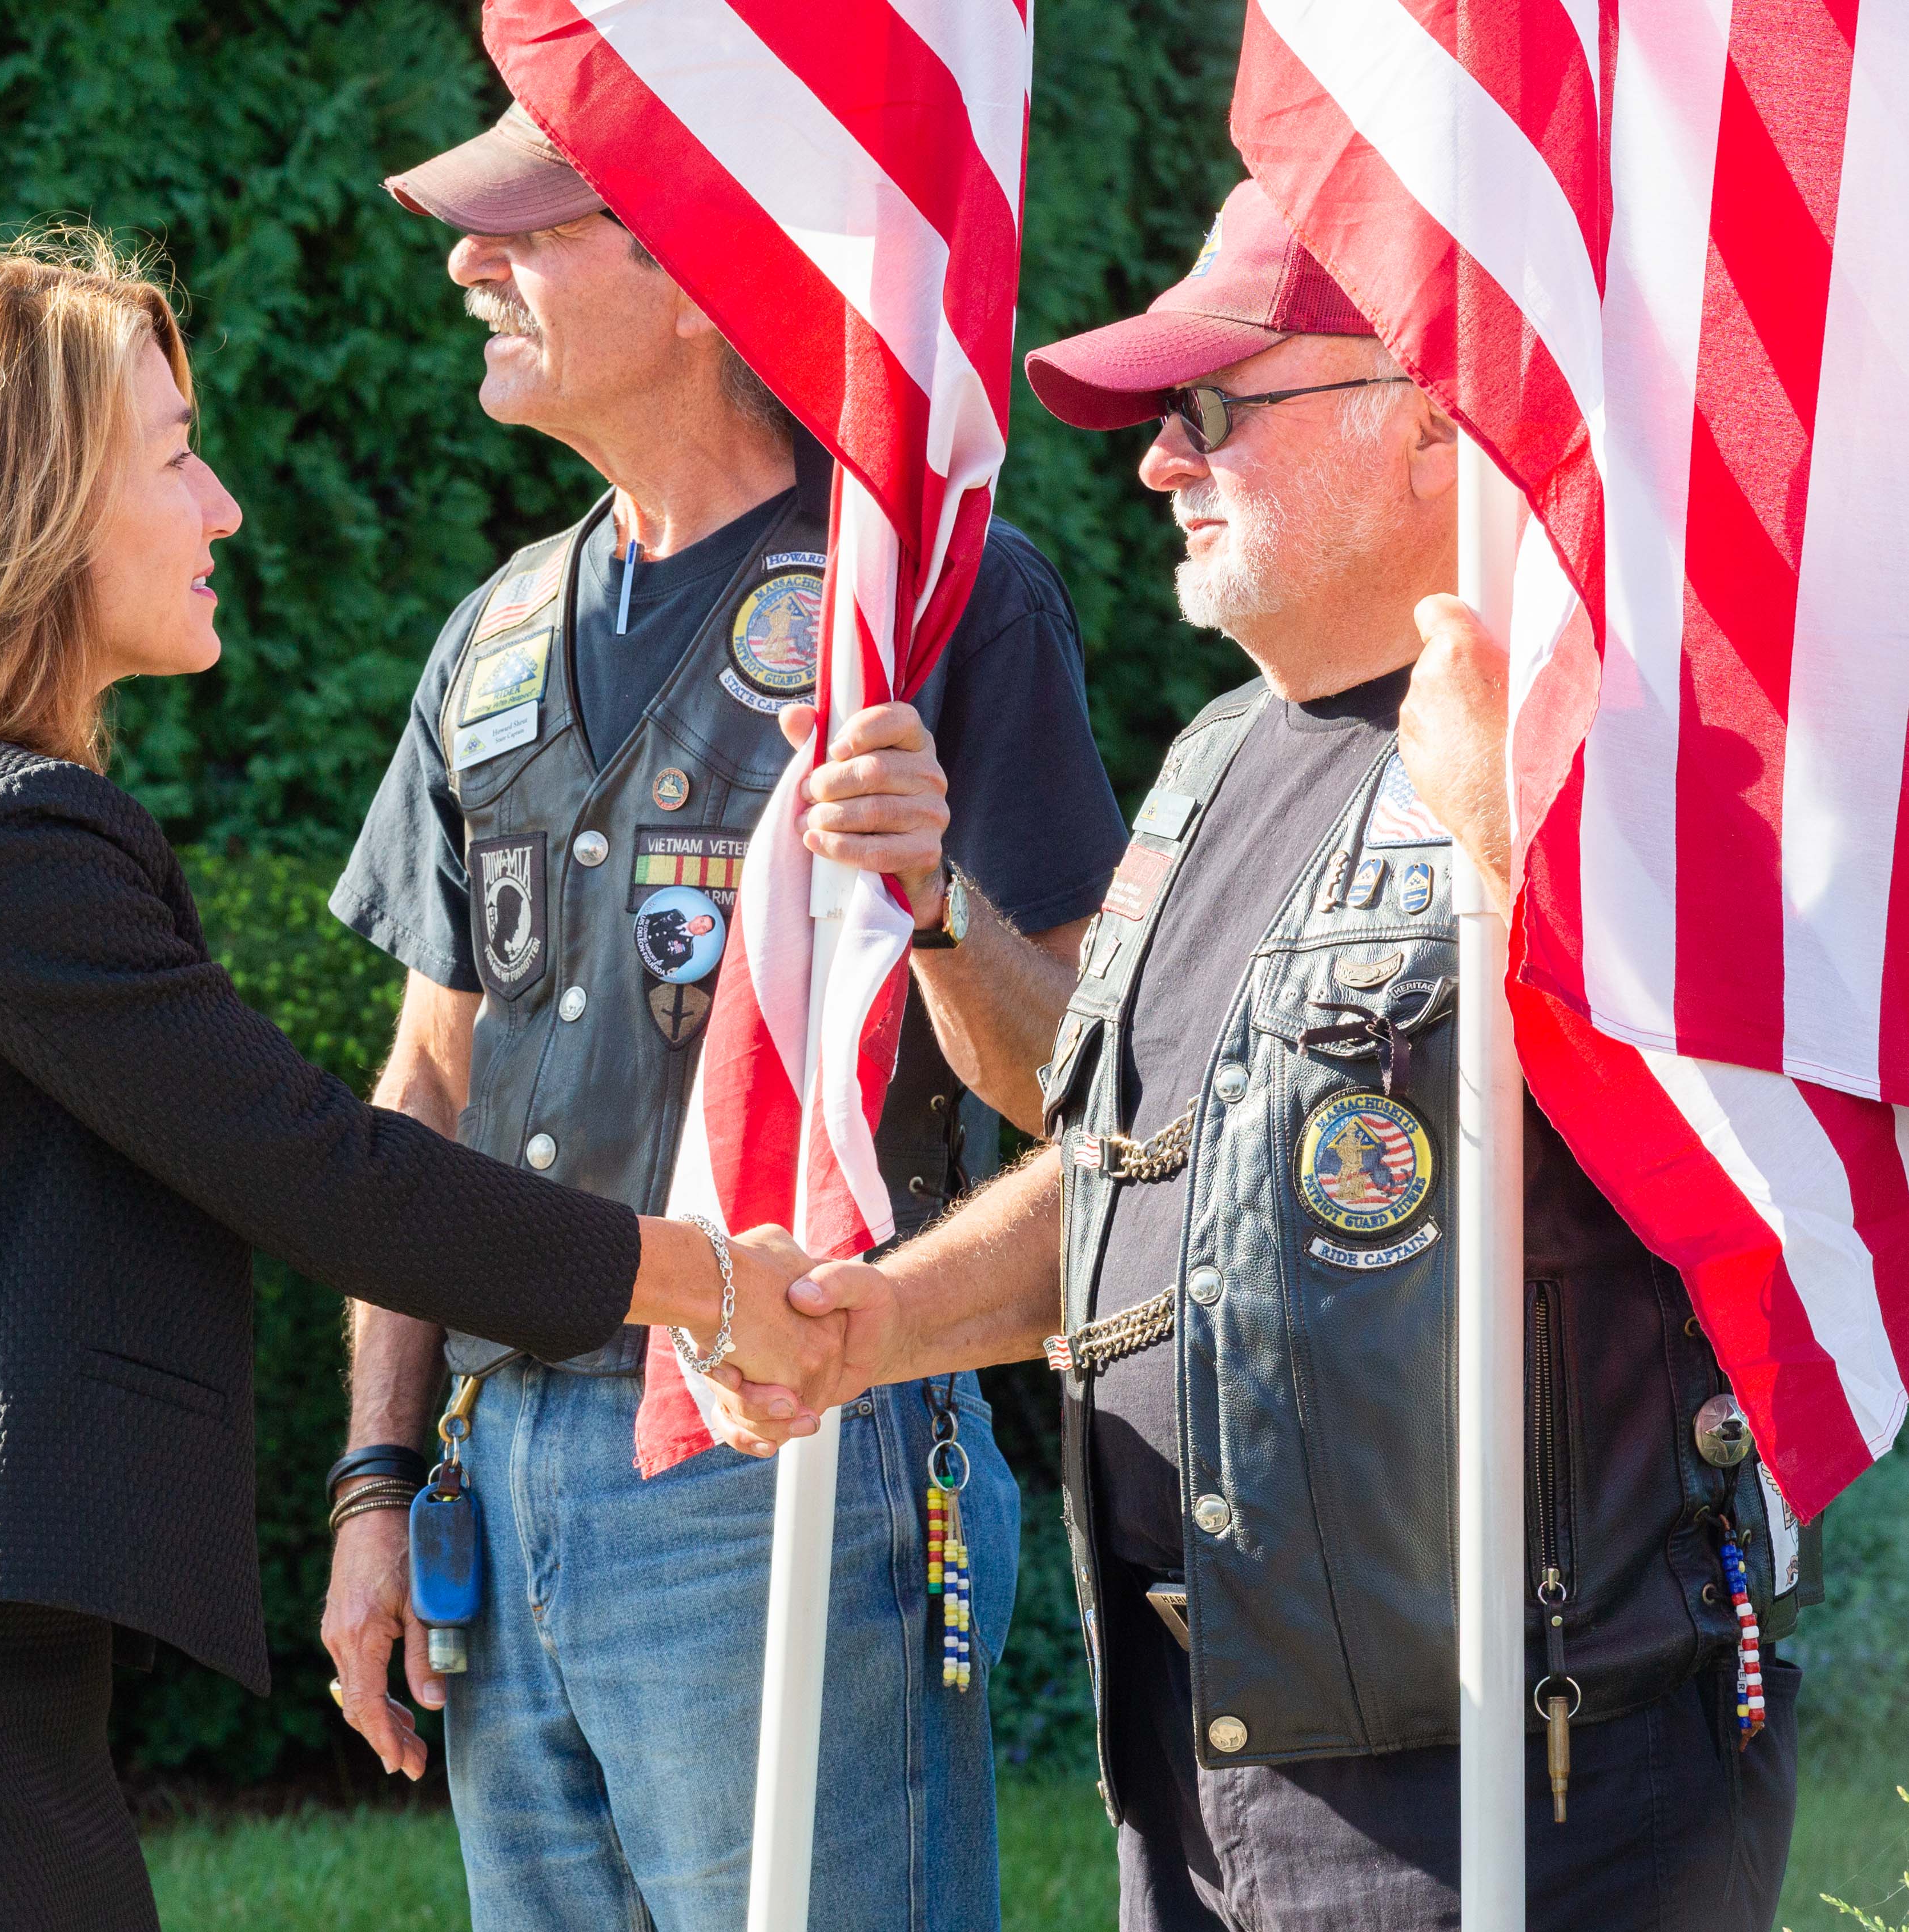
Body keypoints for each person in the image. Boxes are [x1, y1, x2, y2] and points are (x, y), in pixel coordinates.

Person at [0, 230, 858, 1932]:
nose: (223, 512)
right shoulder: (2, 844)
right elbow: (324, 1172)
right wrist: (707, 1280)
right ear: (25, 502)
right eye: (176, 456)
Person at [752, 182, 1810, 1932]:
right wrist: (893, 1318)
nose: (1162, 463)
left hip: (1522, 1761)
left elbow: (1746, 1148)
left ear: (1429, 423)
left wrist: (1518, 835)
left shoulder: (1626, 741)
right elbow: (1143, 1171)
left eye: (1212, 411)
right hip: (1208, 1739)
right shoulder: (1216, 757)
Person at [318, 101, 1130, 1931]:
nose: (465, 264)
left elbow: (1080, 1079)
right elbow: (426, 1087)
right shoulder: (497, 632)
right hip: (499, 1471)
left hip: (784, 1451)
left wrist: (929, 904)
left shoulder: (918, 601)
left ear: (692, 266)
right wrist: (378, 1476)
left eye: (524, 227)